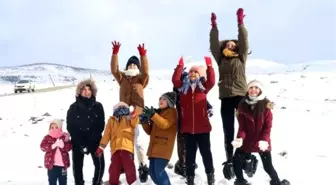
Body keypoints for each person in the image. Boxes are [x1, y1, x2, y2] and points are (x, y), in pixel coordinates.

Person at [209, 8, 251, 179]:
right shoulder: (221, 60)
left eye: (233, 45)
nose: (231, 45)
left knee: (244, 127)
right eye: (228, 45)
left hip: (241, 96)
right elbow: (213, 45)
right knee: (228, 130)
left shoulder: (241, 57)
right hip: (226, 97)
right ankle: (230, 160)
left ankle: (246, 156)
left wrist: (240, 23)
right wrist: (214, 26)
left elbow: (244, 41)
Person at [231, 80, 290, 185]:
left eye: (256, 87)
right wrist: (240, 138)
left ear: (260, 90)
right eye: (251, 87)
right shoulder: (242, 105)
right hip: (247, 140)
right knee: (236, 160)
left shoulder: (266, 105)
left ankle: (276, 182)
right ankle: (241, 181)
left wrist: (264, 140)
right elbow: (242, 127)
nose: (253, 90)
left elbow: (267, 126)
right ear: (247, 90)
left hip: (262, 141)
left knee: (268, 166)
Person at [172, 56, 216, 185]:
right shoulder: (182, 89)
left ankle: (210, 176)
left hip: (202, 129)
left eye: (195, 72)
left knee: (206, 153)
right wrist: (180, 66)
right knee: (190, 156)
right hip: (188, 130)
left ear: (200, 75)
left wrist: (209, 67)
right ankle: (190, 179)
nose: (192, 74)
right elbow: (175, 80)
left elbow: (212, 82)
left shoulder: (203, 88)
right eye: (191, 72)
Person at [110, 41, 149, 182]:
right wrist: (115, 53)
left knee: (138, 143)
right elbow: (114, 70)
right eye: (130, 65)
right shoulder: (122, 78)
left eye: (134, 65)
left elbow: (145, 71)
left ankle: (143, 166)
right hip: (123, 115)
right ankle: (121, 166)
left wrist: (142, 55)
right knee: (123, 141)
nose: (132, 66)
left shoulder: (141, 78)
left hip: (137, 115)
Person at [66, 79, 105, 185]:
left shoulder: (98, 106)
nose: (86, 91)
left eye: (89, 89)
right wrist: (81, 143)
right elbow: (71, 127)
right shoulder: (73, 108)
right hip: (78, 142)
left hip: (95, 140)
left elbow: (100, 125)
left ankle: (97, 182)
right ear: (79, 91)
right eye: (83, 89)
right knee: (77, 166)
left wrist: (92, 141)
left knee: (100, 164)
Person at [95, 102, 140, 185]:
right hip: (115, 150)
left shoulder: (129, 118)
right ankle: (113, 183)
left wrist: (134, 116)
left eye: (123, 107)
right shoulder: (111, 120)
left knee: (130, 169)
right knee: (113, 170)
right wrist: (101, 147)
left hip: (127, 149)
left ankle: (133, 183)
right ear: (114, 110)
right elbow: (106, 135)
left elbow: (135, 123)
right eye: (118, 107)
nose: (121, 108)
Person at [139, 91, 178, 185]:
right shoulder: (158, 113)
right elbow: (149, 131)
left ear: (170, 102)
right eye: (160, 98)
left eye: (164, 99)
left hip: (163, 148)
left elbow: (165, 124)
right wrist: (144, 122)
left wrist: (153, 115)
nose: (161, 100)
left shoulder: (172, 112)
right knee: (152, 173)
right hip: (154, 148)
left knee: (159, 172)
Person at [40, 119, 72, 185]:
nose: (54, 129)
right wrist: (52, 146)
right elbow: (42, 147)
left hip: (63, 166)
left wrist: (63, 146)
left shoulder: (64, 137)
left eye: (56, 127)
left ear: (60, 128)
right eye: (52, 127)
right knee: (52, 182)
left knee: (63, 182)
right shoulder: (47, 137)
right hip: (52, 166)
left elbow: (69, 147)